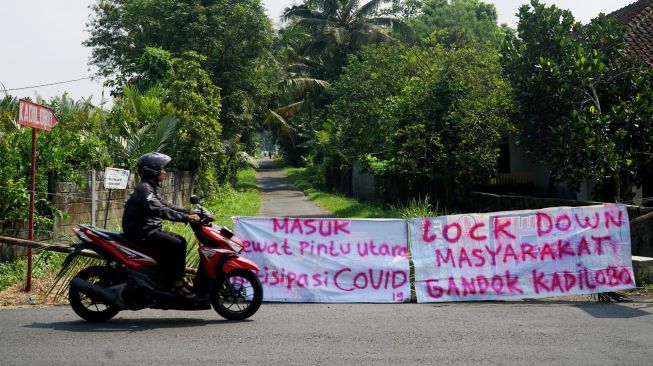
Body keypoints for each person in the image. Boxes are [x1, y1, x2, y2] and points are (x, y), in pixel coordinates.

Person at [122, 152, 200, 298]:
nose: (164, 172)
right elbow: (160, 210)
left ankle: (178, 279)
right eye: (162, 169)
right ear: (153, 171)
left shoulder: (148, 187)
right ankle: (177, 284)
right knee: (177, 243)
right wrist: (186, 217)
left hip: (148, 230)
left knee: (180, 241)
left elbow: (166, 205)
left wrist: (189, 212)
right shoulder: (144, 189)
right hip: (142, 233)